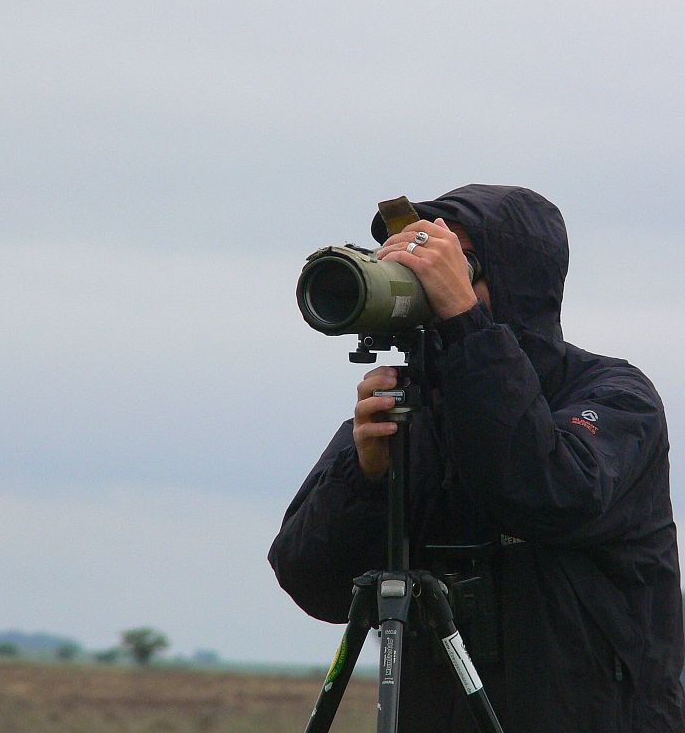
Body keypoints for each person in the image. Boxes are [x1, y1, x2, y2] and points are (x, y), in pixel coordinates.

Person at [268, 185, 685, 732]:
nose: (435, 283)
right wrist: (366, 478)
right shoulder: (406, 408)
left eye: (454, 263)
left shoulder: (615, 395)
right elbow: (314, 585)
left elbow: (548, 493)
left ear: (517, 282)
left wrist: (467, 328)